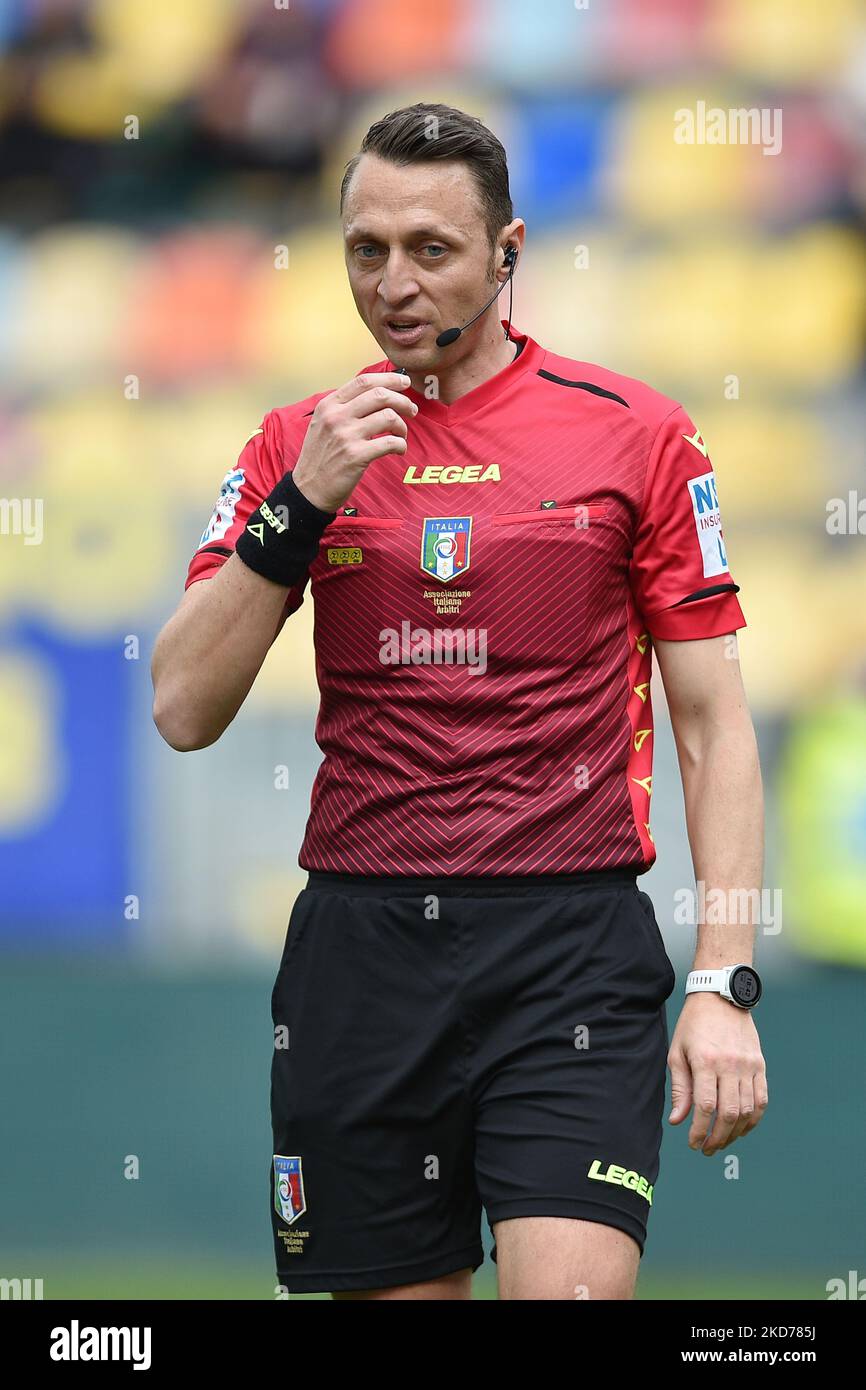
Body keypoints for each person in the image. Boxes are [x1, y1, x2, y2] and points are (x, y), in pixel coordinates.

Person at [151, 103, 768, 1301]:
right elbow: (181, 704)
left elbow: (710, 723)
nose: (392, 282)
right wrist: (303, 502)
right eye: (364, 250)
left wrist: (722, 979)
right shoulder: (298, 442)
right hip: (361, 954)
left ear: (506, 253)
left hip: (568, 952)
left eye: (430, 249)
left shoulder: (634, 434)